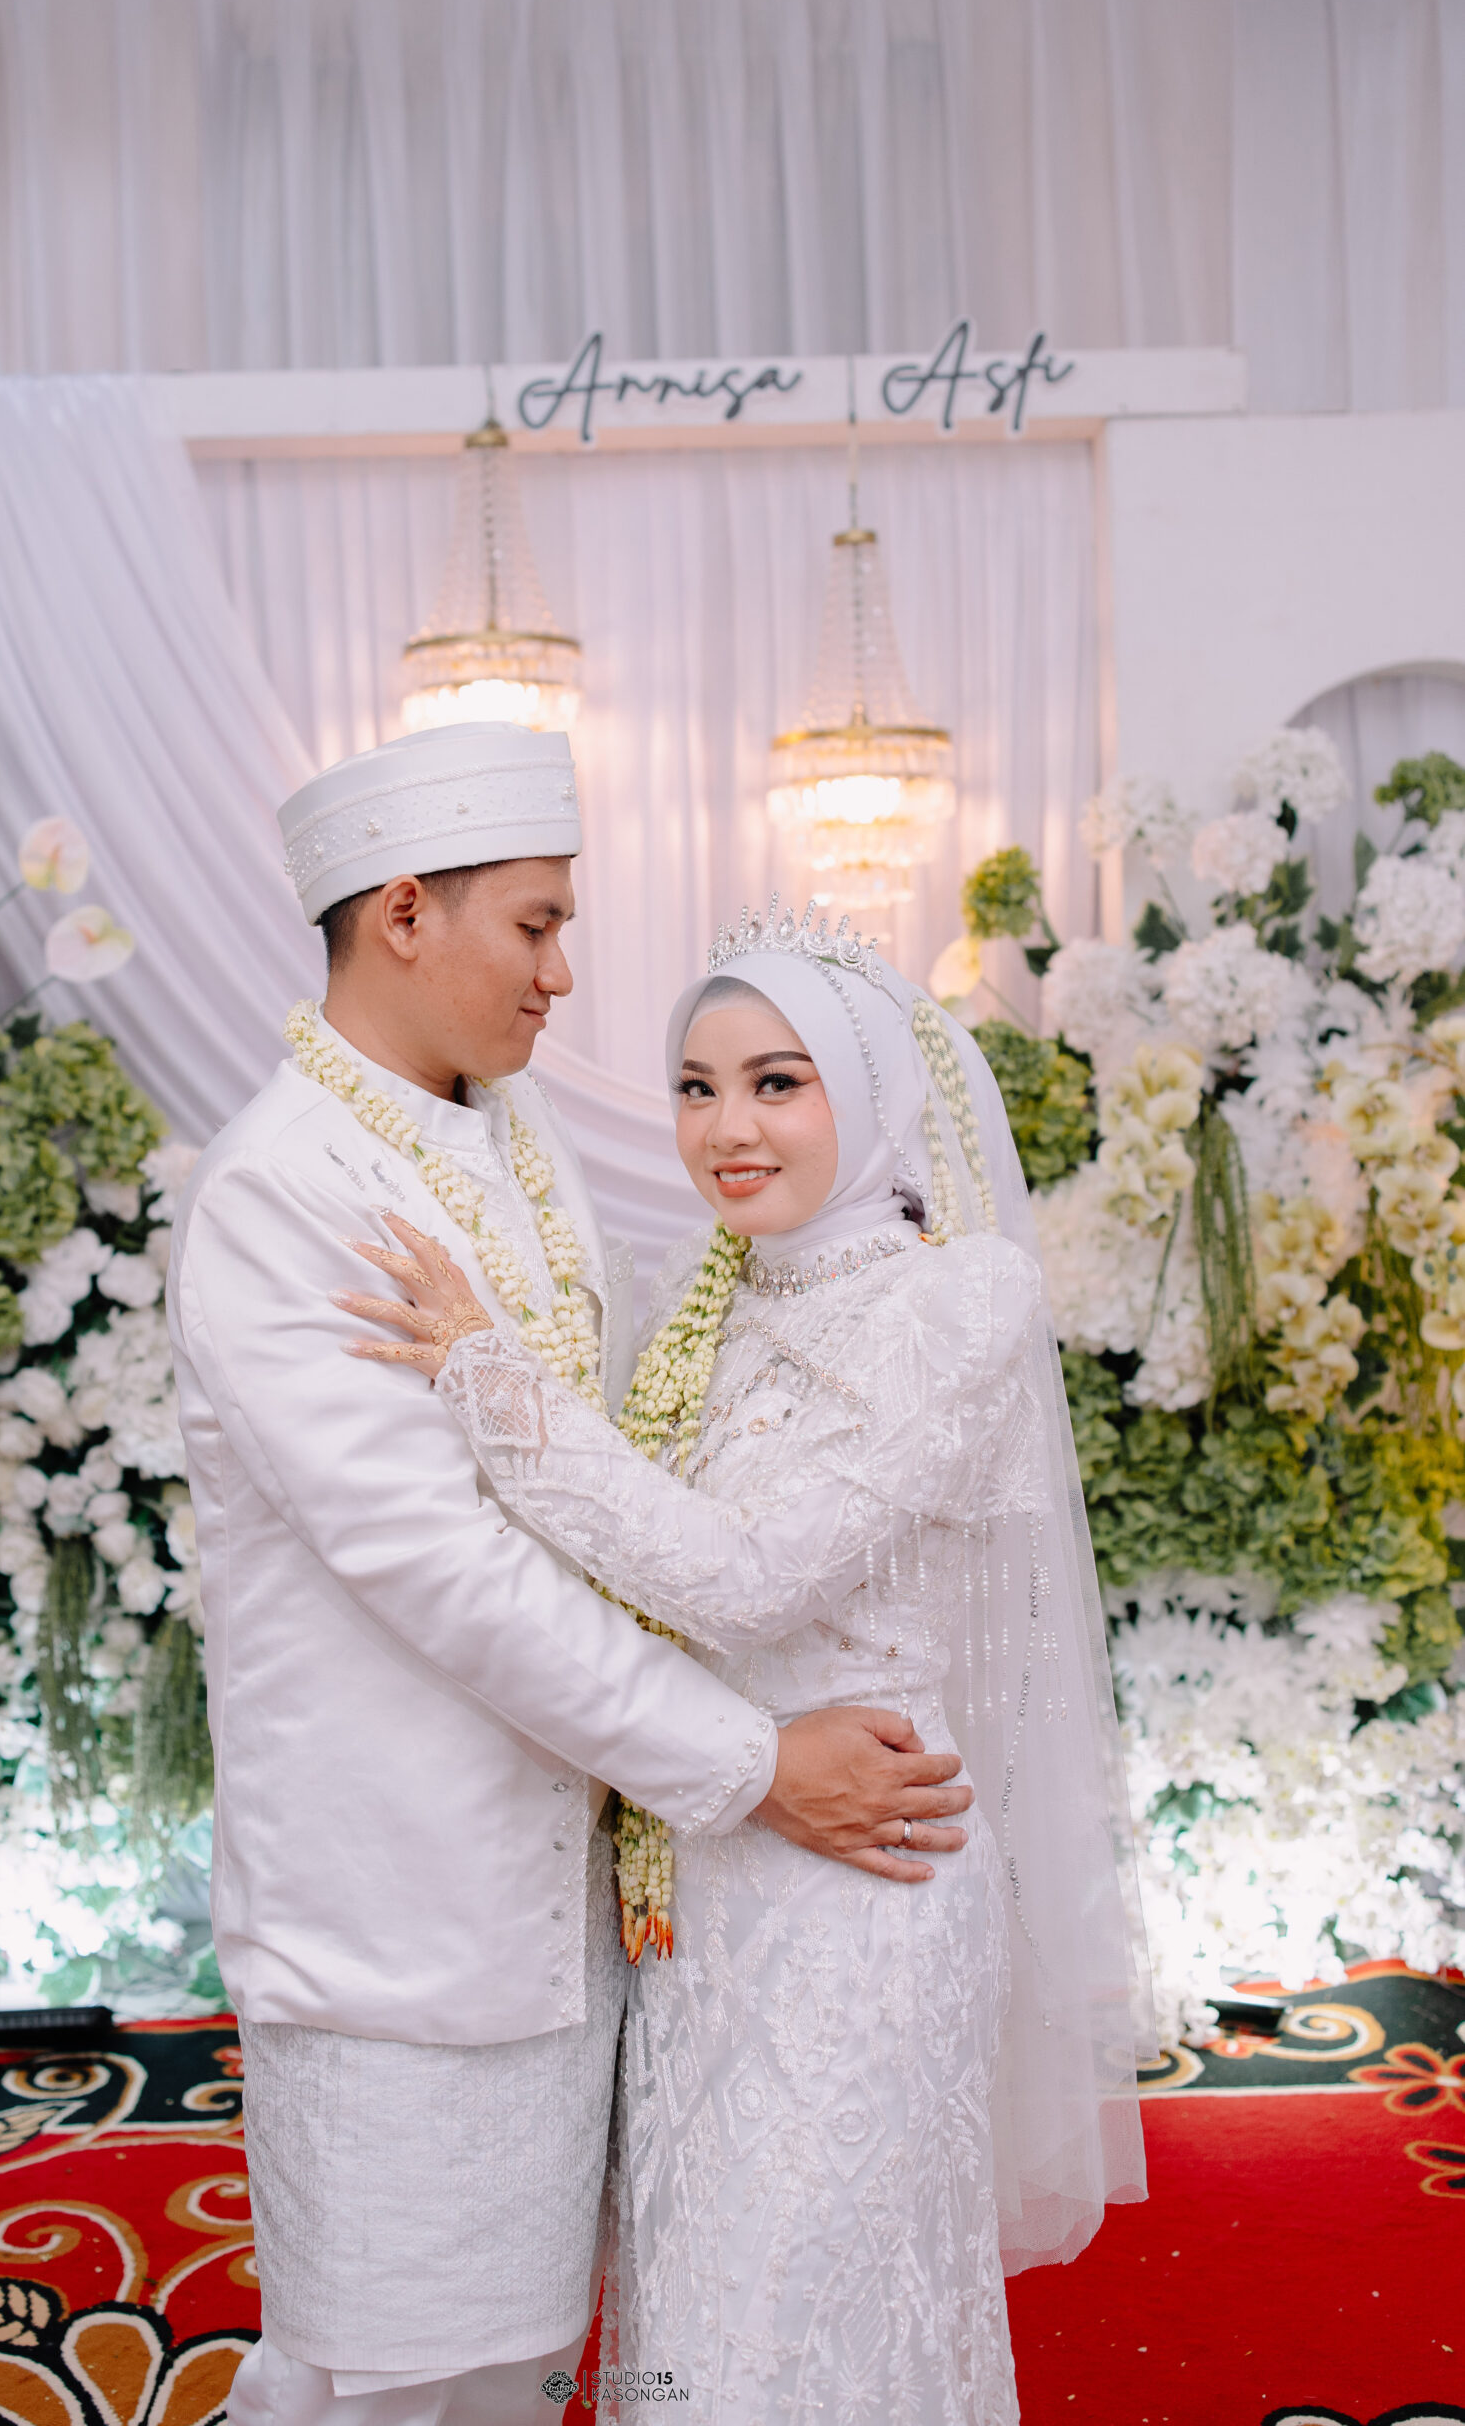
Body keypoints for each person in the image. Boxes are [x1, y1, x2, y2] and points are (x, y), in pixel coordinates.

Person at [166, 732, 981, 2426]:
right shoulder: (282, 1191)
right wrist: (752, 1765)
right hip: (404, 1909)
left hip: (587, 1888)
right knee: (376, 2378)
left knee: (520, 2375)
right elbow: (446, 1572)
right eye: (535, 926)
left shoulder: (508, 1128)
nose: (561, 974)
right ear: (405, 913)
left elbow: (610, 1467)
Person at [342, 899, 1152, 2425]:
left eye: (779, 1082)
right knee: (692, 2304)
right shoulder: (700, 1299)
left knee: (788, 2329)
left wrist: (484, 1375)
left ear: (877, 1088)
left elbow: (742, 1578)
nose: (728, 1128)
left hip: (865, 1891)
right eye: (698, 1087)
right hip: (706, 1874)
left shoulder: (953, 1302)